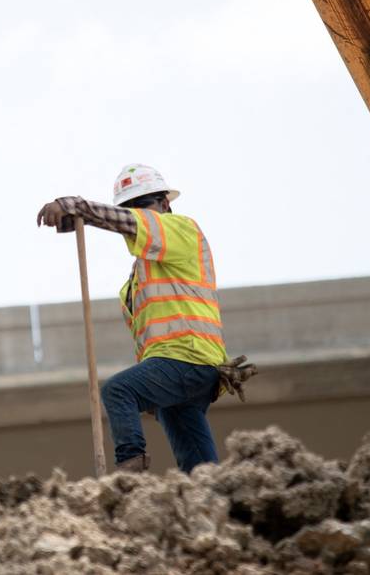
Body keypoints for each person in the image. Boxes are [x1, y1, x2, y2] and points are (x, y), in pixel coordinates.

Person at [37, 164, 255, 472]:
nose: (138, 213)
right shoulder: (141, 275)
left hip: (187, 358)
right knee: (200, 468)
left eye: (144, 205)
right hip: (181, 367)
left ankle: (130, 475)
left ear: (165, 204)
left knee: (118, 390)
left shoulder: (182, 229)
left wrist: (75, 206)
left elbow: (126, 222)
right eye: (130, 207)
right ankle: (213, 499)